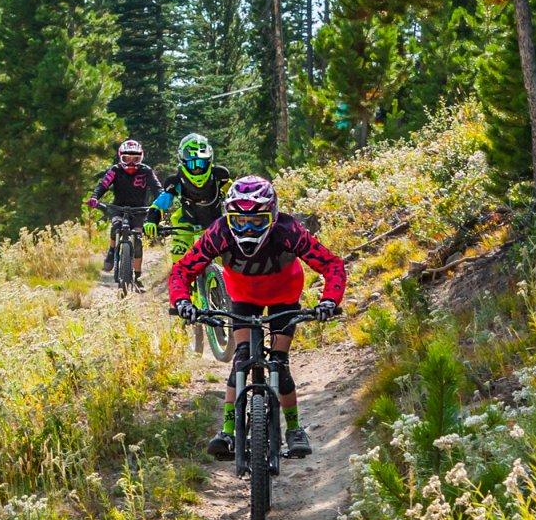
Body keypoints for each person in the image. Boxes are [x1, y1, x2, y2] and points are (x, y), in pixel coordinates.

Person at [167, 175, 345, 460]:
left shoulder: (289, 230)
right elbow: (182, 270)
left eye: (257, 221)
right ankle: (226, 431)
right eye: (239, 221)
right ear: (229, 216)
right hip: (242, 297)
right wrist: (182, 302)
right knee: (241, 357)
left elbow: (332, 265)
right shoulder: (219, 232)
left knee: (279, 363)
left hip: (284, 297)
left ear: (273, 217)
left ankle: (295, 429)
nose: (247, 228)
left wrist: (328, 301)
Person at [86, 138, 166, 283]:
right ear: (120, 157)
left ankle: (137, 276)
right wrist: (94, 197)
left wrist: (161, 201)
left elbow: (157, 188)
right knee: (116, 226)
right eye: (126, 158)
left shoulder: (146, 171)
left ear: (141, 158)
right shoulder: (115, 170)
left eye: (135, 159)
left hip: (139, 210)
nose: (131, 163)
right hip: (118, 207)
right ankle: (111, 252)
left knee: (138, 241)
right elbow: (103, 185)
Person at [156, 133, 234, 251]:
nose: (197, 169)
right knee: (178, 256)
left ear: (208, 161)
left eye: (200, 163)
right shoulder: (175, 181)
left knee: (226, 258)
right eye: (192, 164)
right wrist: (151, 220)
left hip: (216, 225)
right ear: (183, 162)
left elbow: (238, 196)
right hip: (185, 225)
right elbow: (161, 203)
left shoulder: (220, 176)